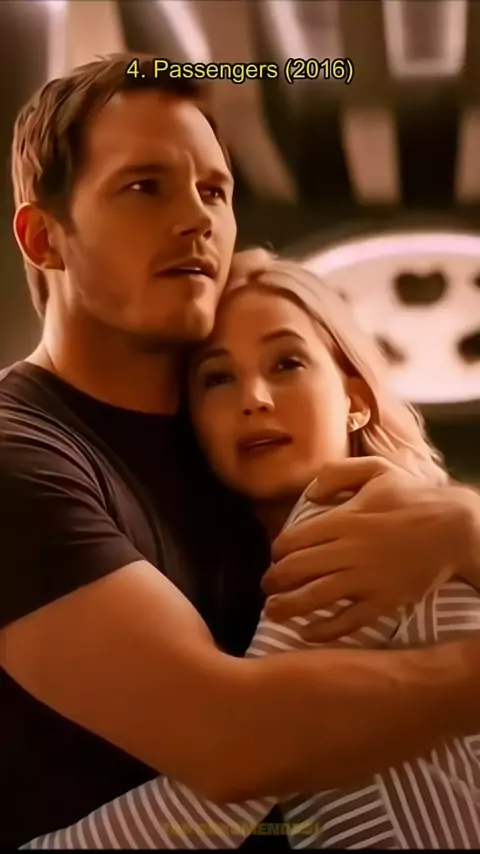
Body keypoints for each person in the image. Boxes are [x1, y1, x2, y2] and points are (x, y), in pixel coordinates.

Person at [1, 53, 480, 848]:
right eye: (145, 186)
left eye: (215, 191)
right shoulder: (21, 453)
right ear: (43, 237)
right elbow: (231, 740)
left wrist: (464, 524)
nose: (198, 219)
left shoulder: (242, 455)